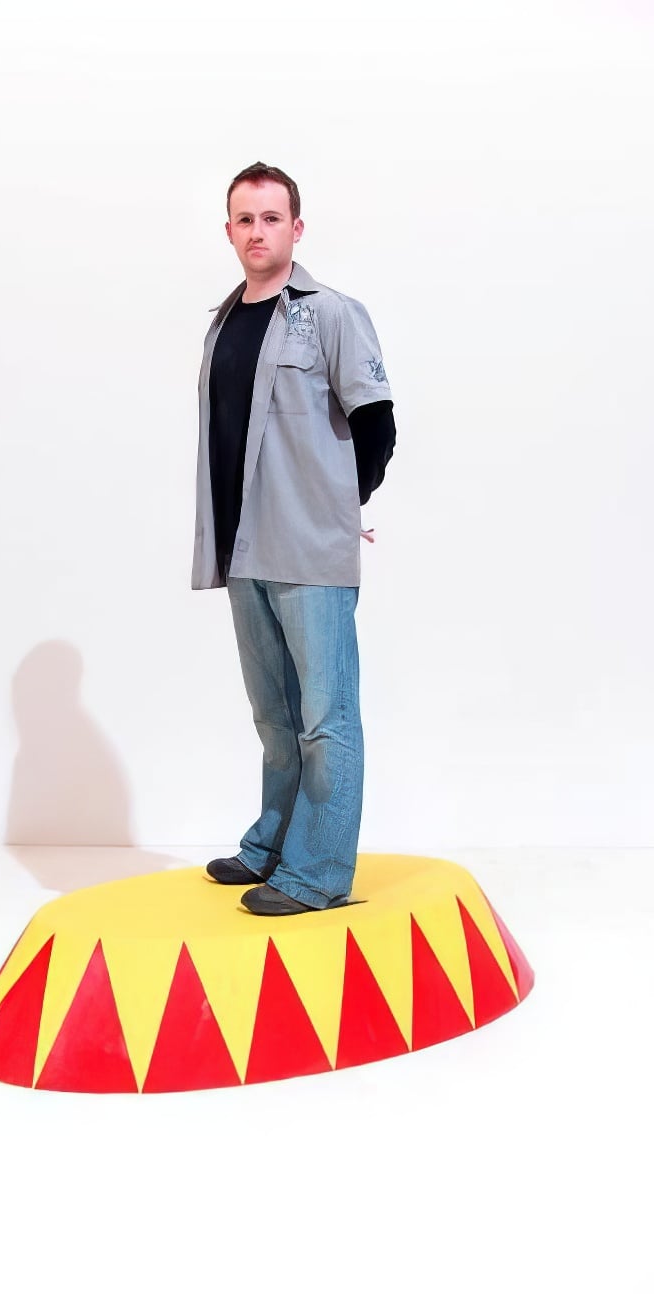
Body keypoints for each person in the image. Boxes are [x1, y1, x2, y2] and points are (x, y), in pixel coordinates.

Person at [192, 161, 396, 917]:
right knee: (274, 715)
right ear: (229, 231)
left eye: (271, 218)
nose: (258, 231)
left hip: (309, 551)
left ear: (296, 228)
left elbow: (377, 423)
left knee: (325, 720)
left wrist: (338, 507)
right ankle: (273, 844)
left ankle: (319, 874)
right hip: (244, 548)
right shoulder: (224, 321)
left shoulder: (332, 314)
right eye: (245, 219)